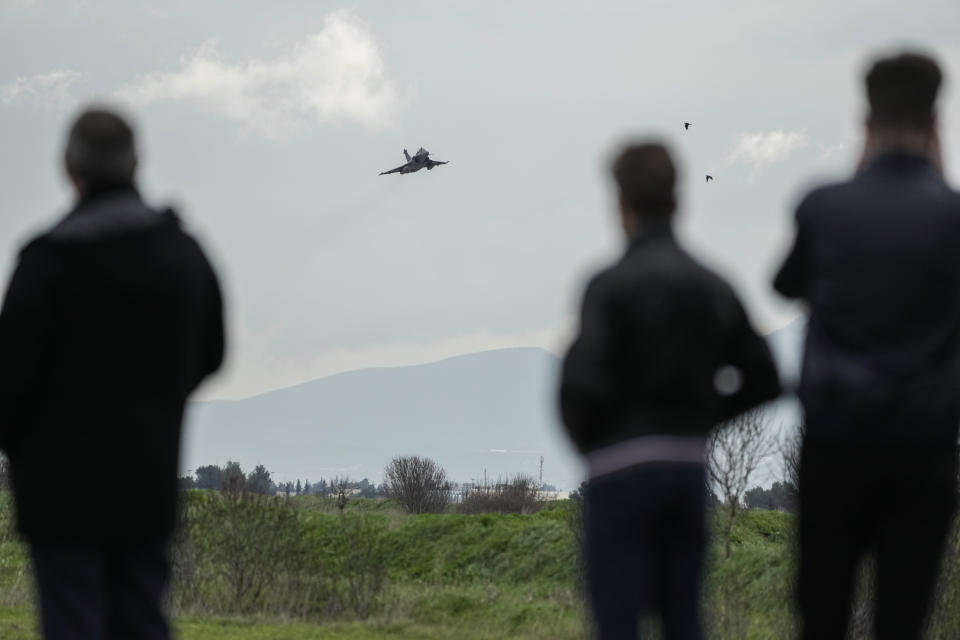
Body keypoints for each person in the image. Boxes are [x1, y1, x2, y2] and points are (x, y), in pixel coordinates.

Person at [0, 107, 225, 640]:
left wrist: (30, 452)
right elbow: (212, 353)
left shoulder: (45, 263)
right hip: (145, 484)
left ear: (68, 167)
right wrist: (153, 402)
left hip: (59, 497)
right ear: (137, 162)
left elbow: (6, 387)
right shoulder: (183, 255)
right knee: (144, 622)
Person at [559, 142, 780, 639]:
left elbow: (574, 390)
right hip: (684, 469)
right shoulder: (711, 284)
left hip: (616, 472)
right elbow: (766, 377)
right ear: (681, 201)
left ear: (619, 204)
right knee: (684, 620)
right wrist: (701, 418)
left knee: (617, 623)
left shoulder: (606, 287)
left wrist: (595, 443)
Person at [774, 51, 960, 640]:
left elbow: (786, 284)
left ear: (865, 126)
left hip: (837, 441)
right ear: (936, 127)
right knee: (902, 619)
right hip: (926, 446)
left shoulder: (824, 207)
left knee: (821, 613)